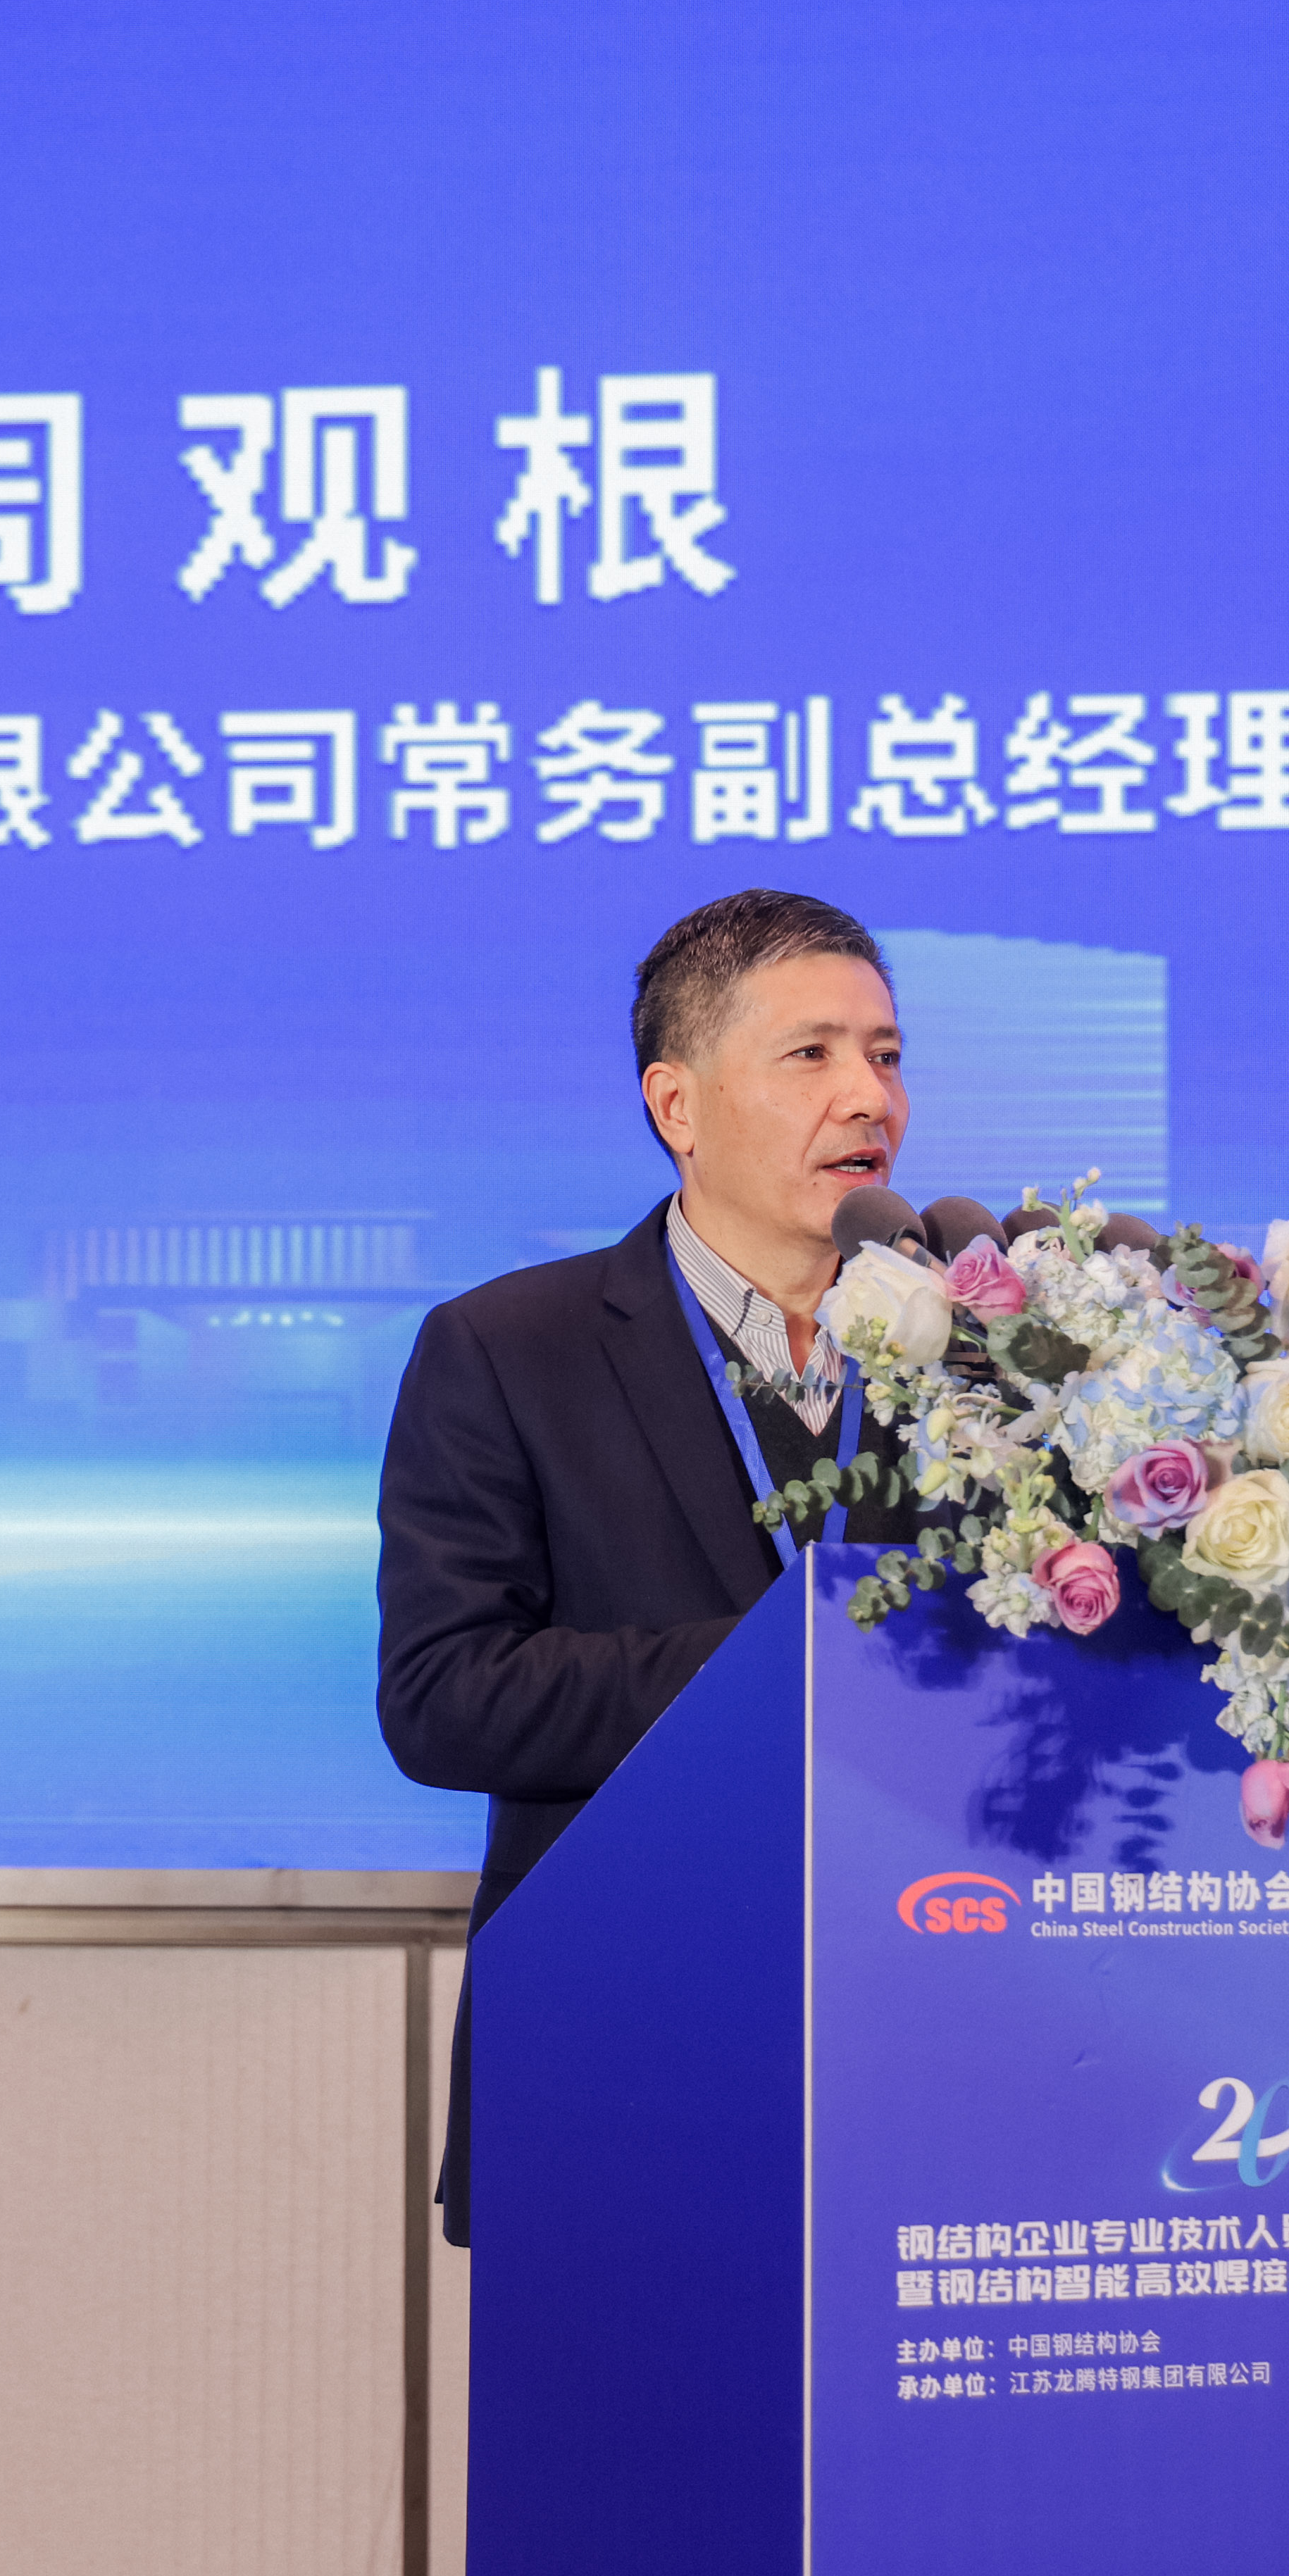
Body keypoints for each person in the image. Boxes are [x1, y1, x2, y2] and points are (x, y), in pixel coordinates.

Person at [377, 886, 926, 2245]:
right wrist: (795, 1667)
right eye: (812, 1054)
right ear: (677, 1105)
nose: (868, 1097)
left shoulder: (987, 1358)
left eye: (886, 1055)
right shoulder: (512, 1350)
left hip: (929, 2027)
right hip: (619, 2037)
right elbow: (445, 1699)